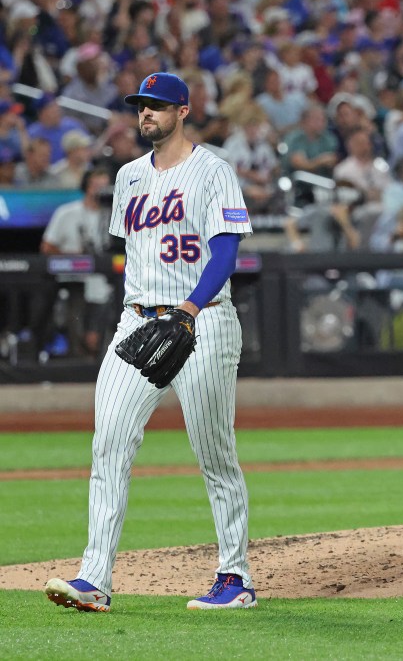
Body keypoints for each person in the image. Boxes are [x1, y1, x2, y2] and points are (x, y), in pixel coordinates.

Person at [44, 72, 258, 612]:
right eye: (141, 106)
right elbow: (134, 255)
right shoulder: (129, 177)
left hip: (203, 319)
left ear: (182, 111)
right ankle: (94, 578)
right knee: (109, 444)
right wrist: (138, 310)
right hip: (138, 320)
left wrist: (186, 311)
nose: (147, 115)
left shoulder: (213, 172)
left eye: (158, 106)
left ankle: (235, 578)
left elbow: (226, 255)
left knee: (215, 453)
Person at [40, 168, 114, 358]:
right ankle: (77, 360)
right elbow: (47, 247)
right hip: (72, 279)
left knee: (98, 336)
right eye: (97, 186)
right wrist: (73, 256)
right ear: (87, 186)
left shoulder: (113, 216)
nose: (101, 191)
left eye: (105, 186)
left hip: (103, 280)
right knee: (77, 322)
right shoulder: (67, 212)